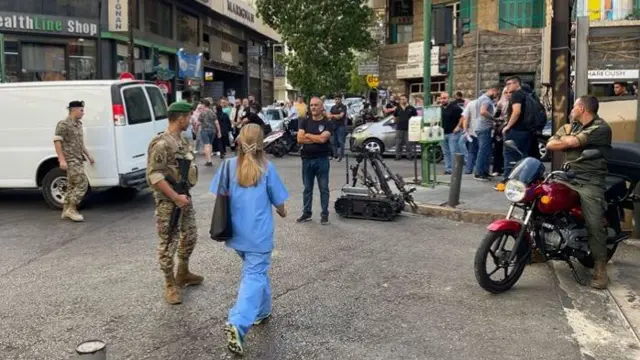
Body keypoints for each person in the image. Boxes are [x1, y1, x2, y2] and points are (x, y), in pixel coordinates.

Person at [210, 124, 289, 356]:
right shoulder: (266, 168)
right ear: (262, 143)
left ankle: (262, 311)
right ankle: (238, 322)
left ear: (239, 141)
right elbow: (279, 202)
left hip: (236, 234)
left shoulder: (227, 167)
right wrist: (283, 212)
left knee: (257, 272)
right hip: (259, 236)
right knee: (254, 275)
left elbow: (218, 194)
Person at [546, 95, 612, 289]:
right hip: (568, 177)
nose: (571, 111)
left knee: (593, 222)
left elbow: (572, 143)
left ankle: (600, 266)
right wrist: (567, 140)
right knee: (543, 200)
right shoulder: (570, 126)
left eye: (574, 107)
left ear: (582, 108)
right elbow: (551, 144)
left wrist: (567, 141)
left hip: (590, 181)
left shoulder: (601, 128)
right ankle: (540, 246)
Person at [146, 101, 203, 305]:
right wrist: (174, 197)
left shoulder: (181, 141)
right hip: (169, 202)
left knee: (190, 236)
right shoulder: (162, 144)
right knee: (168, 243)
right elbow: (154, 174)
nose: (190, 120)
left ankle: (183, 273)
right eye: (188, 116)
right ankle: (170, 284)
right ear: (180, 118)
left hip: (184, 197)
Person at [53, 100, 94, 222]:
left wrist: (88, 156)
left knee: (71, 185)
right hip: (70, 159)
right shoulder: (63, 124)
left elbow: (80, 144)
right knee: (82, 183)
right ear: (74, 110)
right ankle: (72, 209)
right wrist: (61, 160)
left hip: (78, 158)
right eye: (81, 110)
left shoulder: (78, 124)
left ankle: (66, 210)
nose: (83, 113)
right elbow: (57, 141)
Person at [296, 96, 332, 225]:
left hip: (322, 160)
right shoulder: (304, 122)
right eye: (311, 105)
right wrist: (316, 138)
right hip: (306, 160)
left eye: (316, 105)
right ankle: (306, 213)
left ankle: (324, 214)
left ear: (322, 107)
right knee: (307, 189)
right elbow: (299, 139)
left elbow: (323, 139)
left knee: (324, 189)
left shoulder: (327, 123)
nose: (313, 107)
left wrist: (308, 135)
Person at [499, 75, 532, 188]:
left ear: (517, 84)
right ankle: (522, 181)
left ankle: (507, 181)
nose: (507, 87)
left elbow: (516, 112)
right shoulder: (526, 94)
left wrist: (507, 126)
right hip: (526, 131)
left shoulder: (516, 95)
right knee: (523, 157)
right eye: (506, 85)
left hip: (516, 130)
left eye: (509, 84)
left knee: (509, 156)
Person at [474, 84, 501, 181]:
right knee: (483, 150)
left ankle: (484, 172)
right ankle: (479, 173)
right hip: (484, 128)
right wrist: (495, 119)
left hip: (481, 127)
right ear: (493, 90)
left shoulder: (481, 98)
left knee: (487, 151)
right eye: (496, 93)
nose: (496, 95)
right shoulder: (486, 100)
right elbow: (483, 112)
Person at [438, 92, 463, 174]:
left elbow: (463, 116)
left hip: (453, 133)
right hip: (442, 133)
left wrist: (458, 127)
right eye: (441, 98)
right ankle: (448, 169)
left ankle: (455, 170)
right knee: (445, 152)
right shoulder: (439, 109)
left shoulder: (455, 108)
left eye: (444, 98)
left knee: (453, 152)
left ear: (449, 98)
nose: (443, 100)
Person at [393, 94, 418, 160]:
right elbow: (394, 117)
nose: (402, 100)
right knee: (398, 143)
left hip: (409, 129)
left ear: (406, 99)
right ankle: (398, 156)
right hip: (399, 128)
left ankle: (409, 156)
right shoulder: (398, 108)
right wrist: (397, 122)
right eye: (401, 99)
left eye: (403, 99)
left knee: (409, 144)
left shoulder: (411, 108)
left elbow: (415, 117)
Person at [198, 99, 222, 167]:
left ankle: (209, 161)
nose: (201, 105)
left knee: (206, 145)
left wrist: (195, 129)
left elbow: (198, 123)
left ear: (204, 105)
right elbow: (216, 122)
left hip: (205, 130)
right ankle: (209, 159)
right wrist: (219, 132)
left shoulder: (202, 113)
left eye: (202, 104)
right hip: (213, 131)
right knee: (210, 144)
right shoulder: (213, 112)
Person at [328, 95, 348, 161]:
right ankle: (335, 156)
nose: (337, 100)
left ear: (341, 100)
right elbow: (328, 116)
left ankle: (342, 156)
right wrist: (335, 116)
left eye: (338, 99)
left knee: (340, 141)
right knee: (334, 142)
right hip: (333, 126)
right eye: (335, 99)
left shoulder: (343, 107)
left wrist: (332, 116)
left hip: (341, 126)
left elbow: (340, 116)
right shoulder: (333, 107)